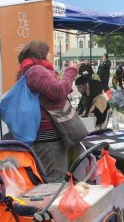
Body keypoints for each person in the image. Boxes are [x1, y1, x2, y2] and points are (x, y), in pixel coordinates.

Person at [17, 40, 84, 183]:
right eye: (48, 51)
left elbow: (51, 94)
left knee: (52, 178)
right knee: (55, 181)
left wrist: (65, 83)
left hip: (46, 134)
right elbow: (57, 91)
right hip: (48, 136)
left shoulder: (31, 70)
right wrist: (70, 72)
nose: (50, 54)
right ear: (40, 53)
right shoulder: (36, 70)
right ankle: (53, 205)